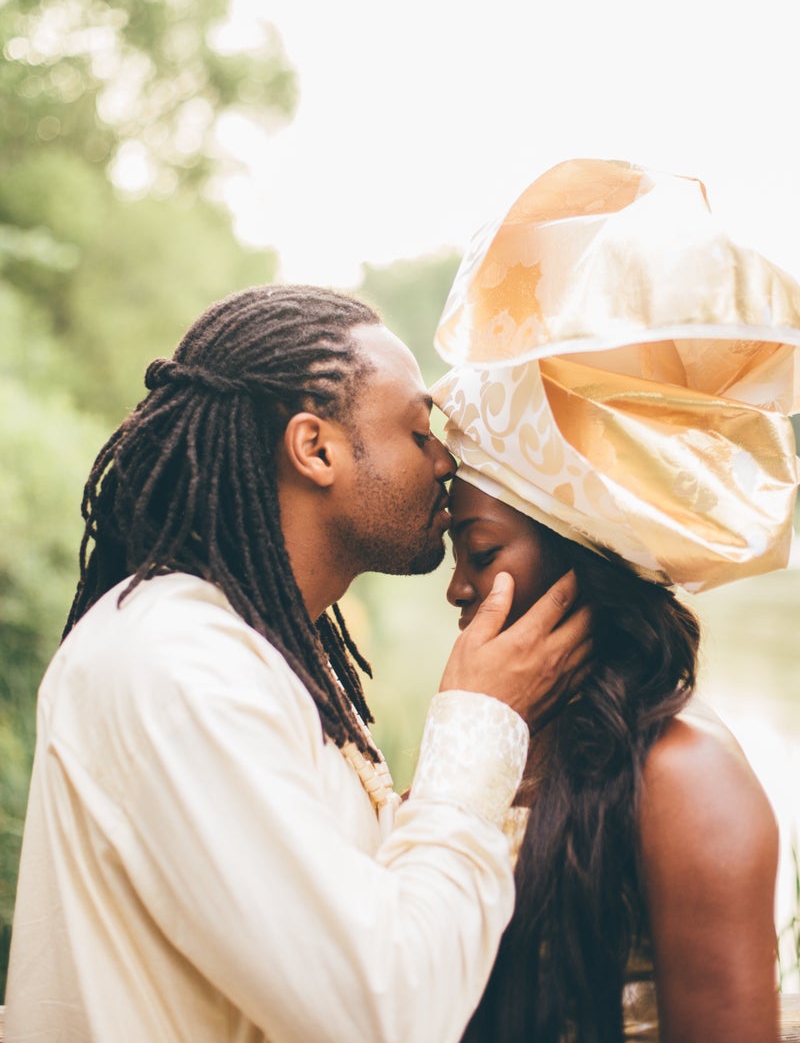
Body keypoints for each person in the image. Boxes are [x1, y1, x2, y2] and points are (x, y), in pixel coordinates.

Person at [5, 284, 590, 1043]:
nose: (444, 458)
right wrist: (477, 731)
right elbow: (382, 1009)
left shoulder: (254, 652)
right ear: (316, 448)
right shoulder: (177, 667)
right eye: (418, 433)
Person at [430, 158, 800, 1043]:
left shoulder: (685, 776)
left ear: (580, 555)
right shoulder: (510, 729)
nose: (457, 587)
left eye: (479, 551)